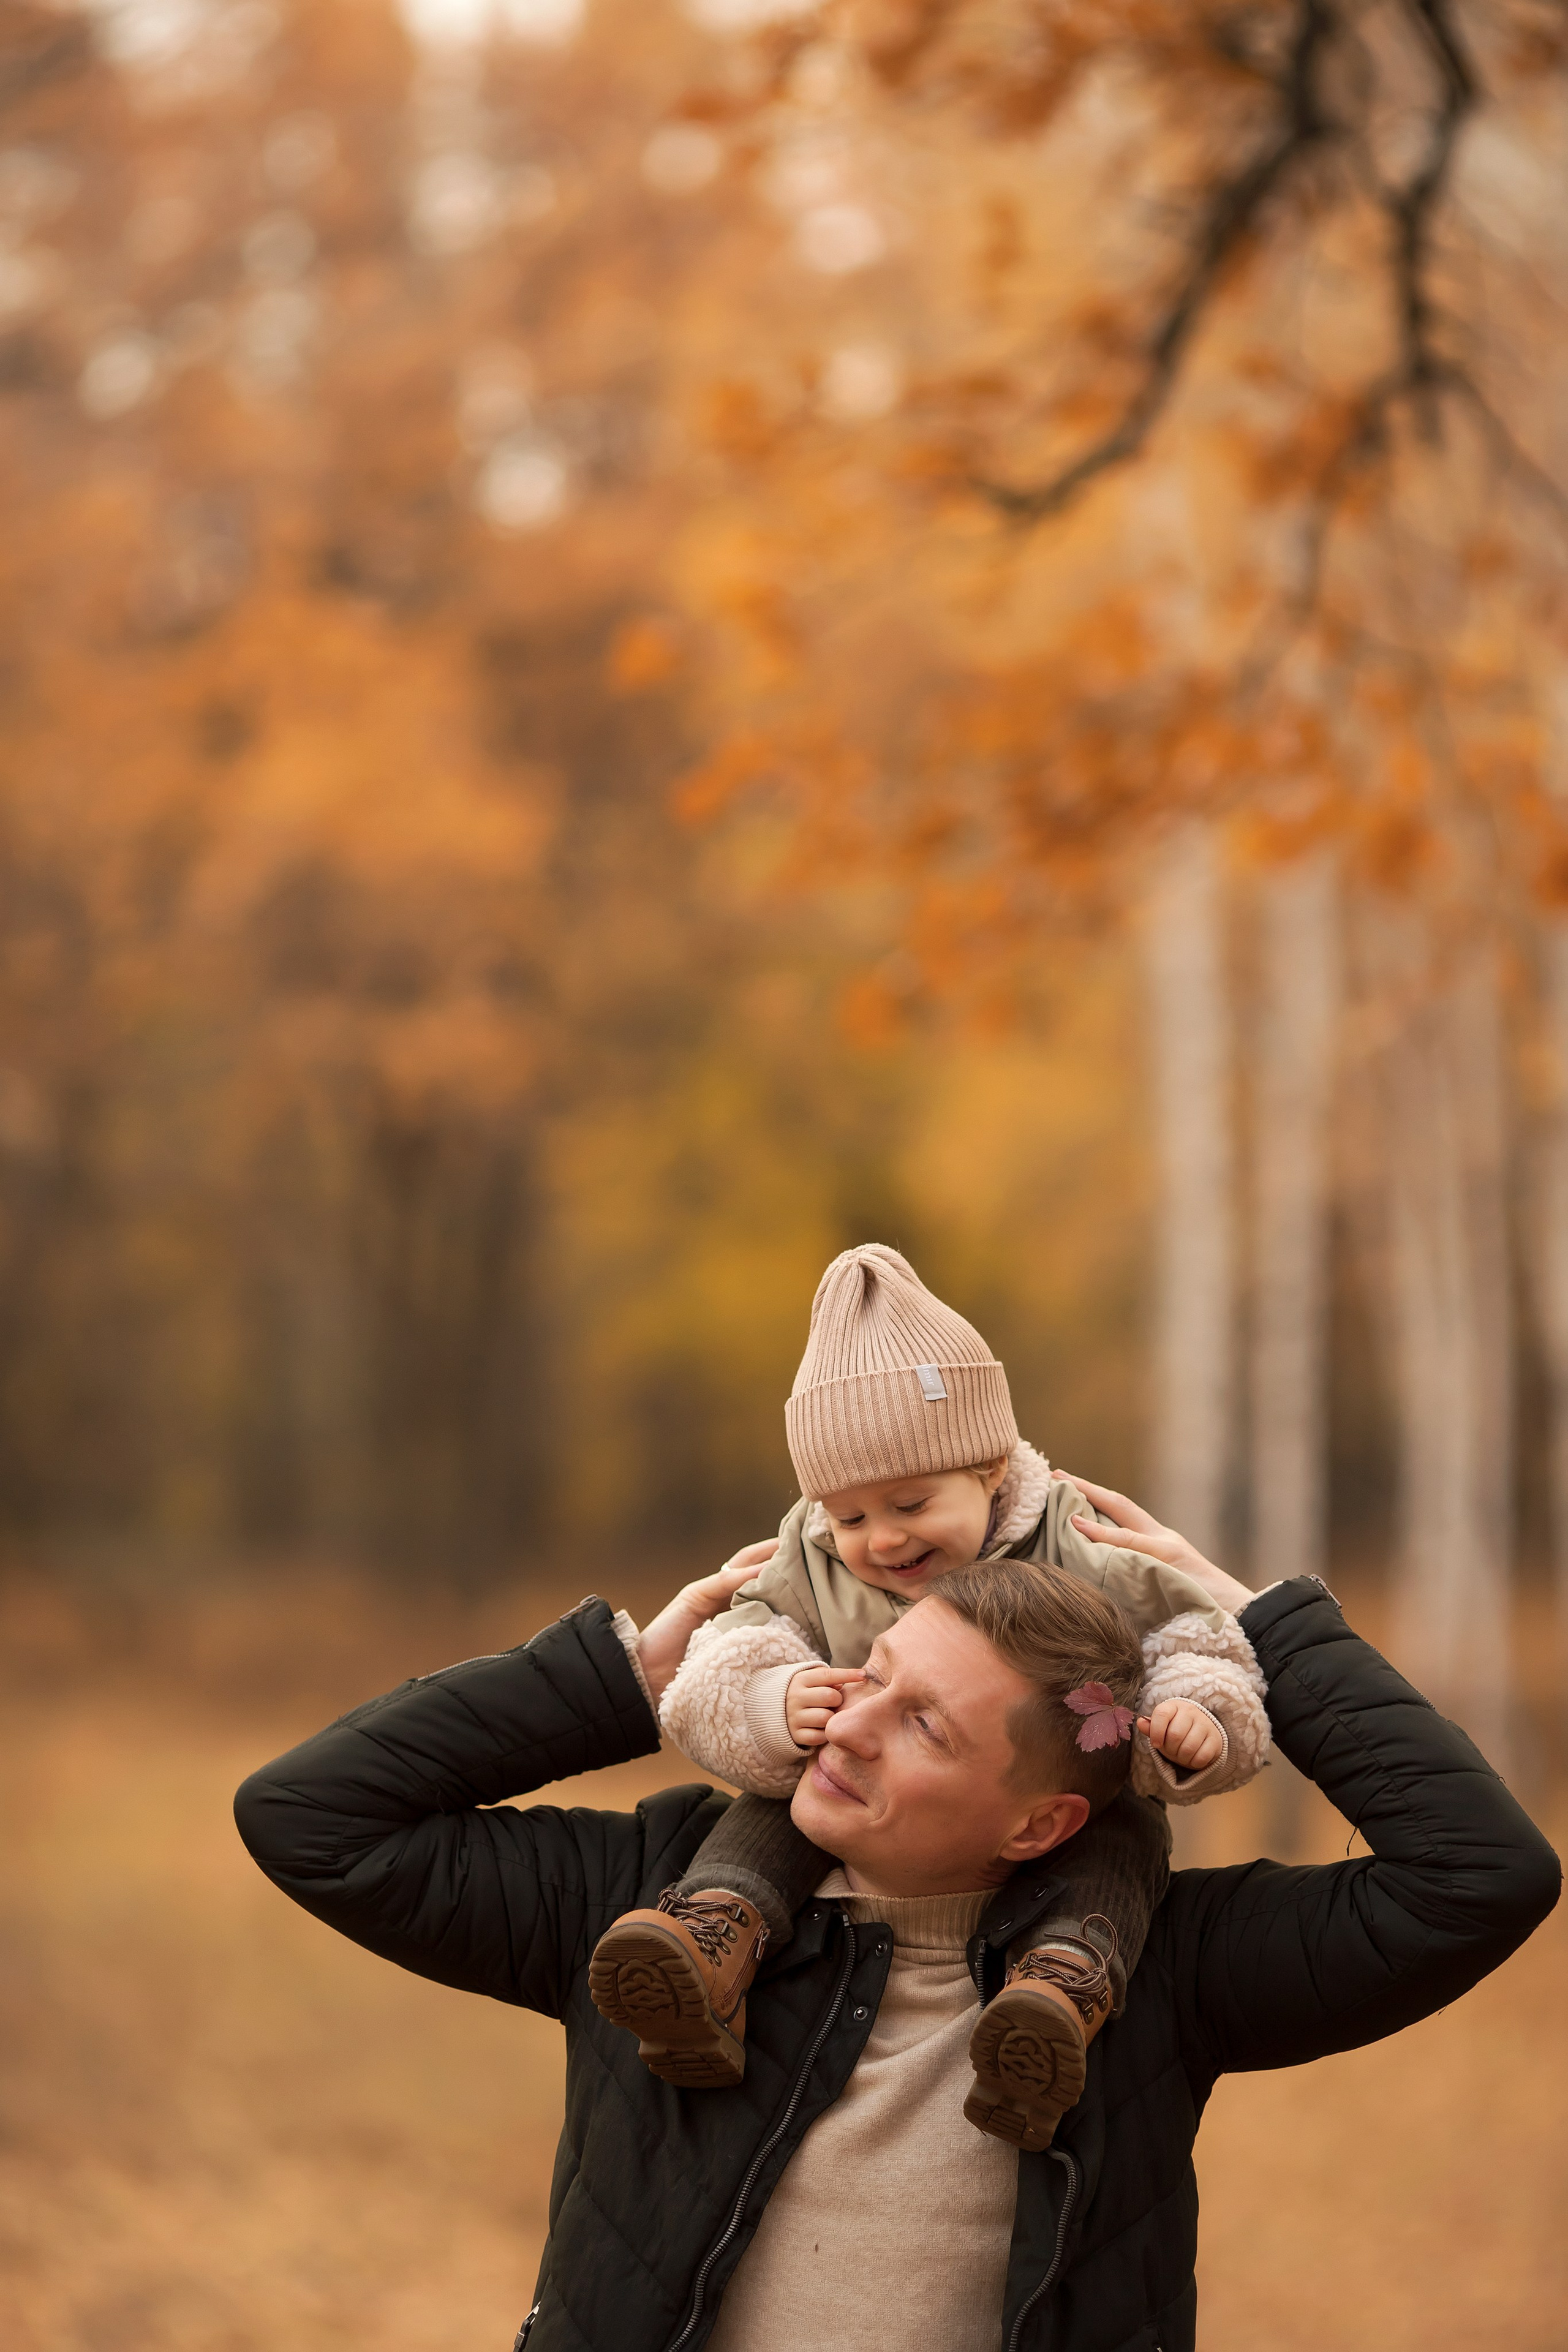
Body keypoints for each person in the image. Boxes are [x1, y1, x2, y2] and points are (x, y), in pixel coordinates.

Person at [234, 1490, 1558, 2352]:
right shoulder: (658, 1910)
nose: (846, 1720)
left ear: (1040, 1823)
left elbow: (1475, 1877)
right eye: (869, 1671)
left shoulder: (1149, 1975)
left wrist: (1258, 1626)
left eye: (918, 1721)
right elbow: (312, 1819)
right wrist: (618, 1683)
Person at [590, 1243, 1271, 2149]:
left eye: (910, 1504)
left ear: (991, 1469)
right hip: (855, 1789)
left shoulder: (1077, 1541)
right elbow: (730, 1653)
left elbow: (1192, 1636)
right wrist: (770, 1702)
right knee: (783, 1798)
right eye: (852, 1516)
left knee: (1121, 1834)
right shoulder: (809, 1556)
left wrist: (1198, 1719)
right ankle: (716, 1939)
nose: (881, 1540)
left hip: (1067, 1787)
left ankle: (1060, 1987)